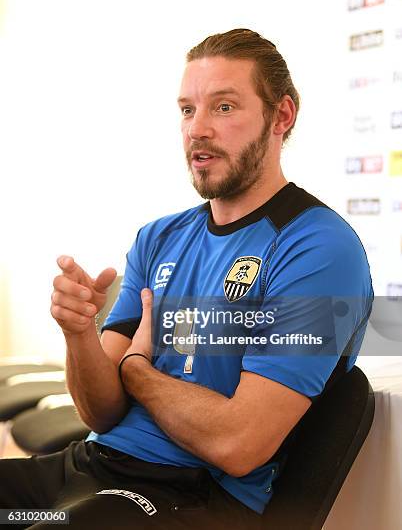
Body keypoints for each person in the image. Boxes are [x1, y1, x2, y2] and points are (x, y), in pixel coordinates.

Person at [0, 29, 373, 529]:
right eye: (186, 110)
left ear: (281, 116)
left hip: (186, 497)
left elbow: (238, 444)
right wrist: (79, 336)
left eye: (223, 107)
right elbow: (100, 414)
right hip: (89, 470)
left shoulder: (319, 248)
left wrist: (136, 372)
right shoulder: (158, 238)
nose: (198, 129)